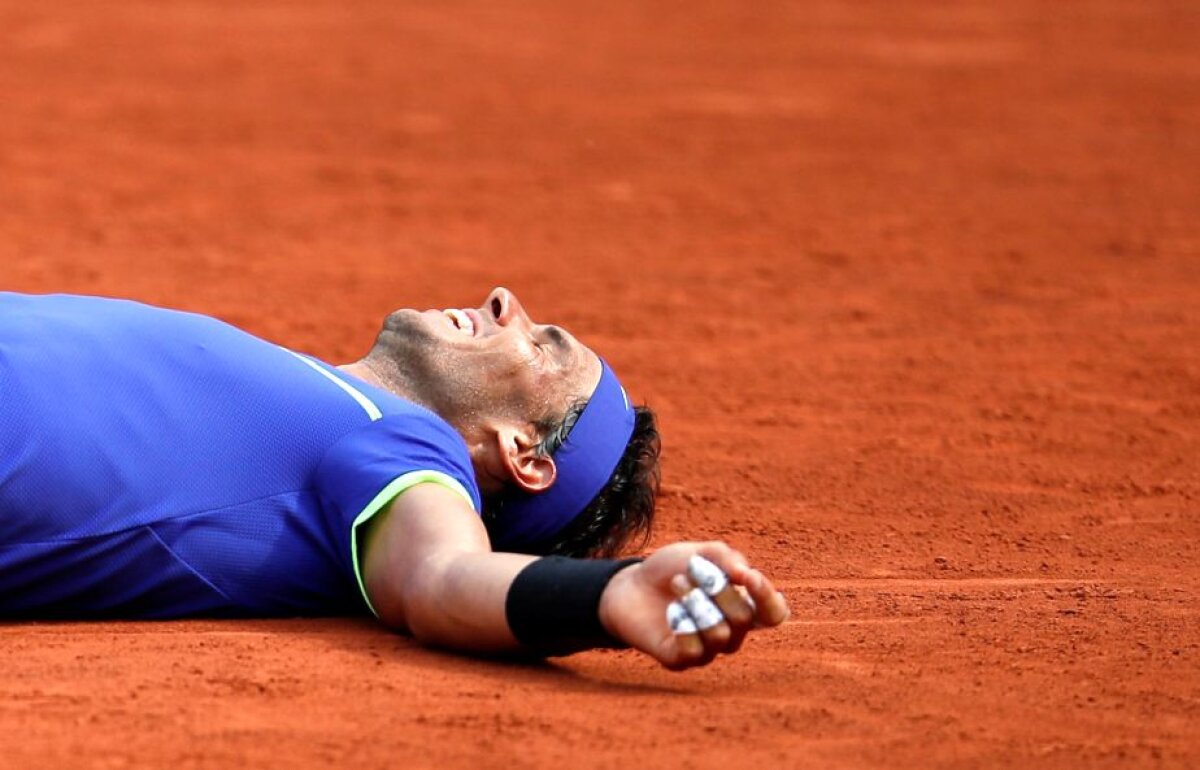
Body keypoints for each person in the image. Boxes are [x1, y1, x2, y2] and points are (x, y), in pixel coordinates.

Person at [0, 288, 788, 669]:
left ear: (523, 454)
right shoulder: (320, 393)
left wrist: (605, 594)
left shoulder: (408, 451)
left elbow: (441, 576)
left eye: (540, 347)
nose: (504, 301)